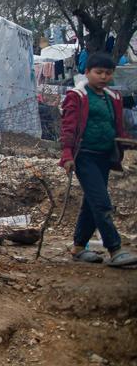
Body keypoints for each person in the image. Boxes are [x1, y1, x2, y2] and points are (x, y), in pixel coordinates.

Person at [59, 53, 137, 268]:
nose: (103, 77)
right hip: (84, 156)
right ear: (87, 72)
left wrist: (125, 142)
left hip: (105, 156)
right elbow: (68, 127)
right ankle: (115, 249)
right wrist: (66, 154)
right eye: (99, 72)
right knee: (102, 203)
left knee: (92, 202)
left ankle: (78, 247)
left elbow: (118, 125)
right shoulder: (77, 95)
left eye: (108, 73)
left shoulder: (113, 97)